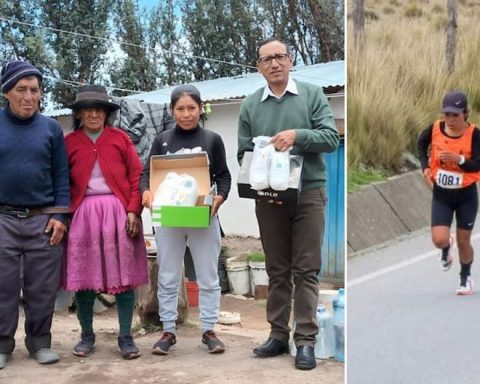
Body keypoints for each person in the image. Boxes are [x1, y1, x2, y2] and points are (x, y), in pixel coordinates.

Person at [237, 38, 339, 370]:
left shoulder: (311, 94)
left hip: (309, 192)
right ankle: (277, 335)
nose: (274, 64)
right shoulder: (251, 104)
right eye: (267, 59)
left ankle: (305, 340)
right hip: (270, 198)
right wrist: (260, 161)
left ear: (290, 60)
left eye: (280, 57)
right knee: (277, 269)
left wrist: (298, 136)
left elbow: (329, 138)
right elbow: (243, 153)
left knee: (306, 269)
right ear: (259, 66)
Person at [141, 84, 231, 355]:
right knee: (168, 274)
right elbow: (147, 173)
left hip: (203, 215)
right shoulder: (163, 139)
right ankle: (168, 329)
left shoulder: (212, 139)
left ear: (200, 108)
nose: (186, 113)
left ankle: (209, 330)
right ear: (172, 111)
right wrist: (146, 192)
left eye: (192, 108)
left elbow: (223, 176)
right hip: (169, 218)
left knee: (207, 275)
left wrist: (220, 198)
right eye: (180, 108)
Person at [62, 85, 148, 359]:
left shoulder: (119, 139)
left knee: (123, 278)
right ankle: (87, 335)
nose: (94, 115)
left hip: (118, 214)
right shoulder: (70, 143)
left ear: (106, 113)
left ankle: (125, 336)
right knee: (85, 279)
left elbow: (137, 176)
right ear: (79, 115)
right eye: (87, 110)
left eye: (99, 110)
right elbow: (62, 182)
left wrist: (134, 210)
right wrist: (63, 217)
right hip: (83, 217)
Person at [0, 60, 70, 368]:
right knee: (2, 285)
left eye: (35, 90)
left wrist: (61, 216)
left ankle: (40, 342)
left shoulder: (51, 128)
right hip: (2, 219)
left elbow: (62, 176)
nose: (29, 96)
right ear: (6, 93)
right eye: (22, 90)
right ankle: (2, 346)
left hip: (43, 218)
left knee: (42, 285)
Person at [417, 90, 480, 295]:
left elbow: (477, 165)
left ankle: (465, 278)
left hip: (466, 195)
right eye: (447, 114)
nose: (450, 119)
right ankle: (446, 248)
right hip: (442, 194)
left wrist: (458, 159)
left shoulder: (474, 134)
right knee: (439, 239)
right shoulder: (435, 128)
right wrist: (425, 167)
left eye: (455, 115)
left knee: (464, 240)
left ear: (465, 114)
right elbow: (421, 143)